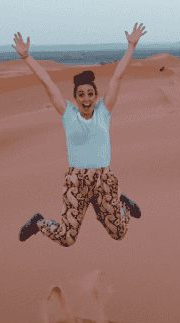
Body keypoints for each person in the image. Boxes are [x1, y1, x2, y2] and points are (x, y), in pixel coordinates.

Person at [14, 24, 145, 245]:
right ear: (75, 98)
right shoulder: (68, 114)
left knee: (119, 234)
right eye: (81, 95)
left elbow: (117, 78)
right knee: (67, 238)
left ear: (96, 96)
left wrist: (131, 46)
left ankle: (122, 203)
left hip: (104, 179)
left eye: (90, 94)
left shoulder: (104, 112)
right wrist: (27, 57)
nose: (86, 99)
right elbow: (47, 83)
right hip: (77, 181)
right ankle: (38, 223)